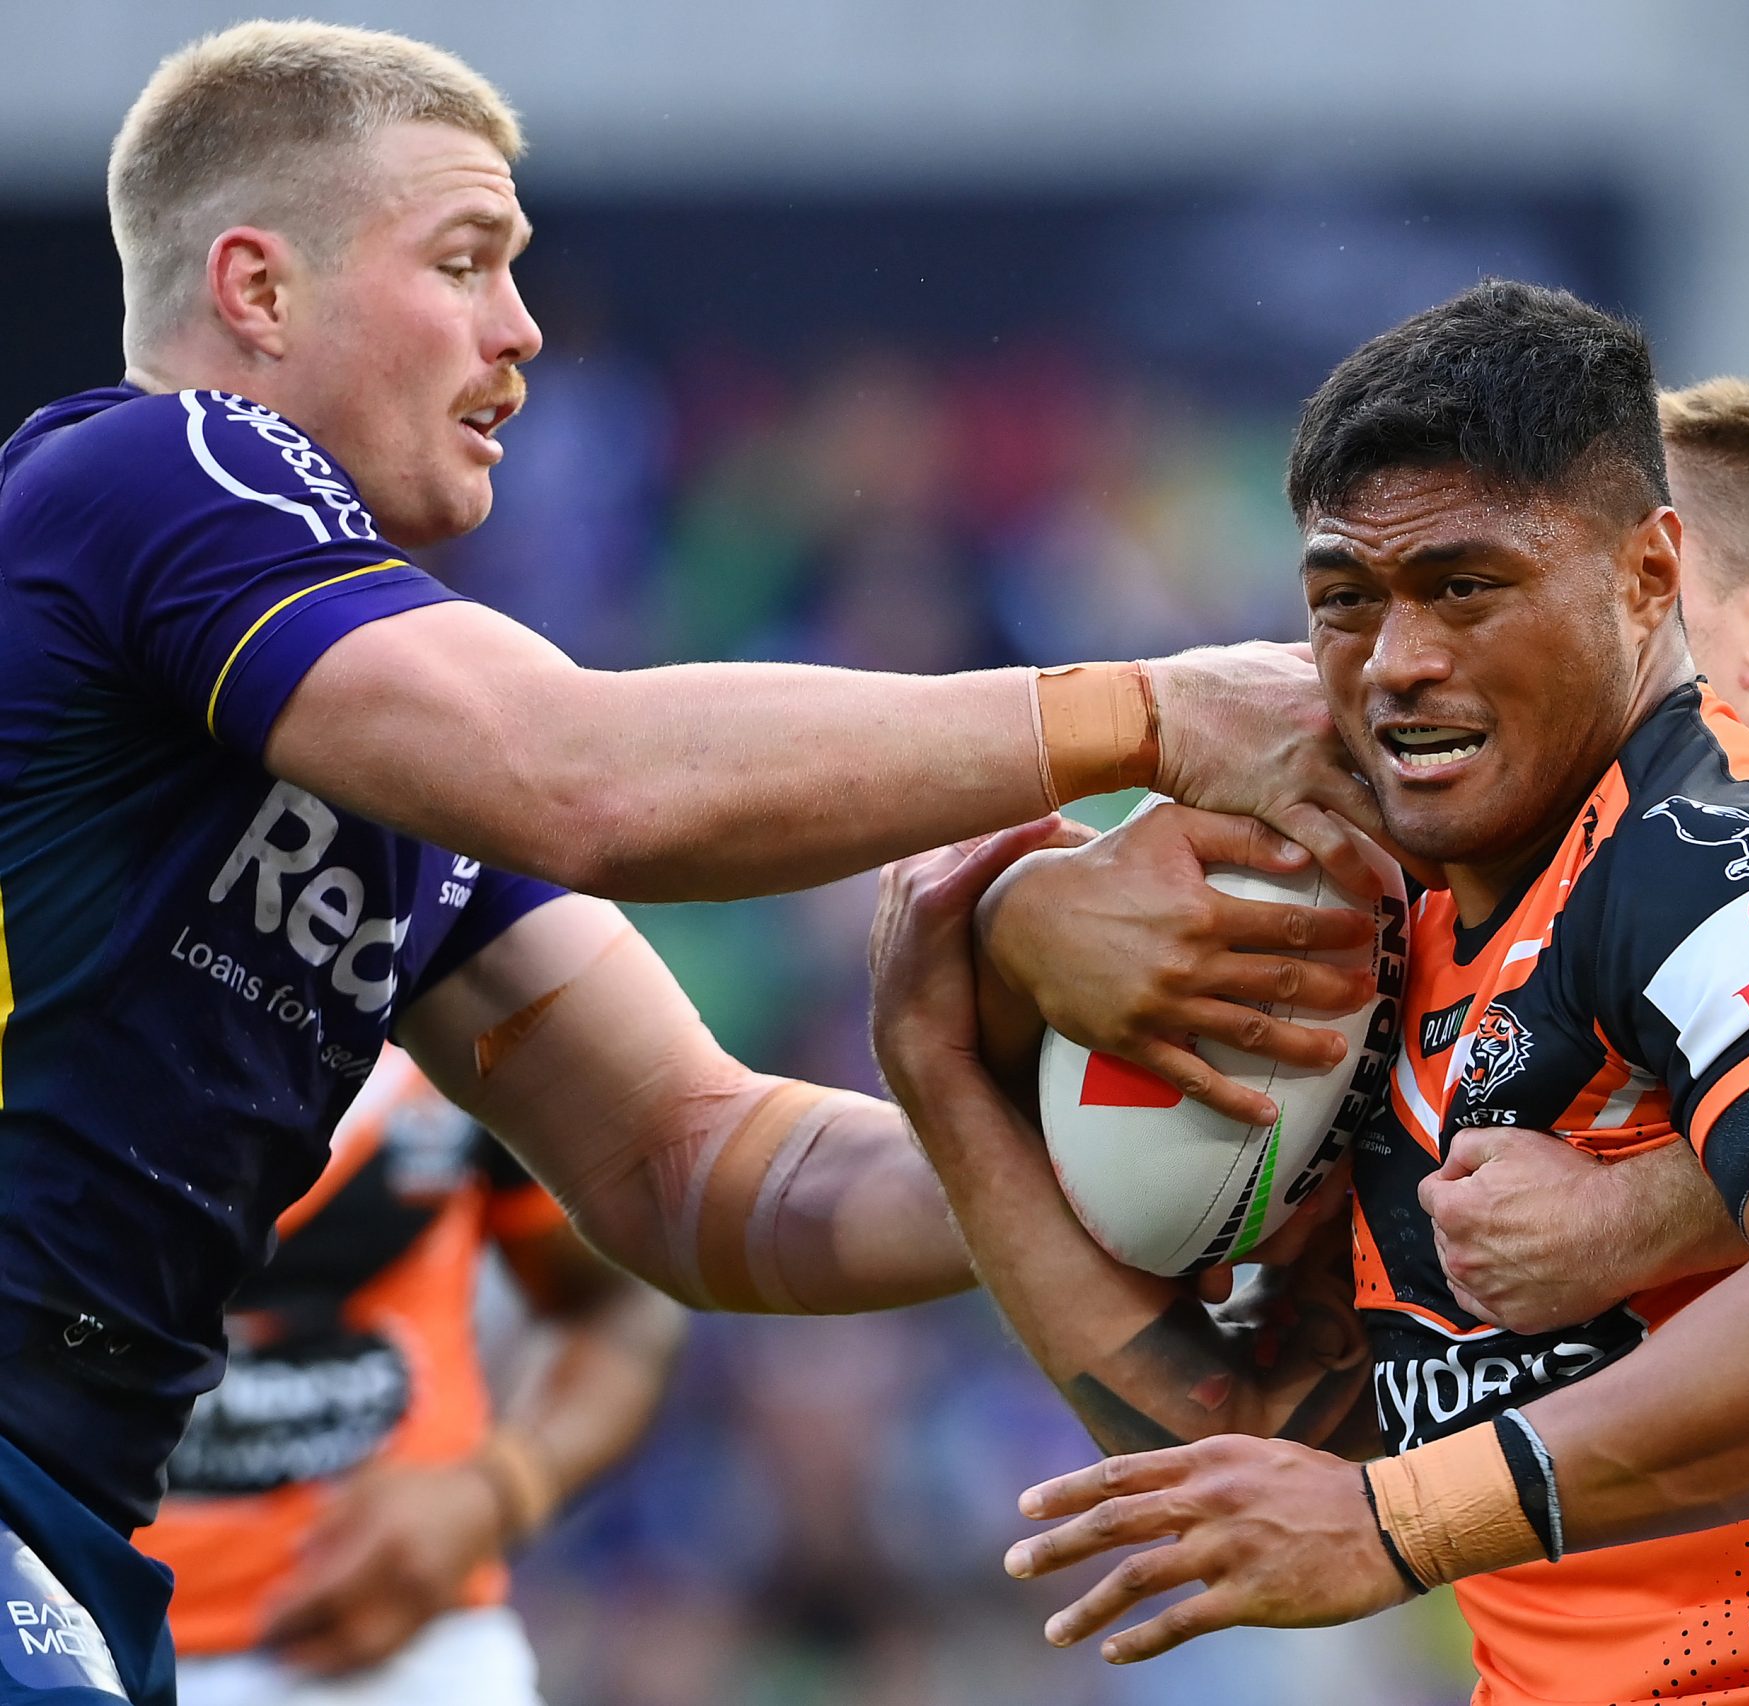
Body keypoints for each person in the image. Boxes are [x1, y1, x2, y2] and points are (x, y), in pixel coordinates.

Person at [0, 22, 1377, 1704]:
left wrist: (1145, 1177)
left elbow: (706, 1173)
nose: (524, 333)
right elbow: (585, 779)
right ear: (257, 292)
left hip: (72, 1504)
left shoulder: (377, 740)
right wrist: (1142, 710)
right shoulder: (164, 468)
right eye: (464, 263)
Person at [878, 281, 1749, 1706]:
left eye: (1465, 587)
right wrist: (937, 1061)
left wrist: (1396, 1523)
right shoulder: (1395, 923)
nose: (1399, 661)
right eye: (1346, 599)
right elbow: (1269, 1429)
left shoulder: (1710, 851)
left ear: (1652, 577)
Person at [130, 1050, 682, 1705]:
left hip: (395, 1650)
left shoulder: (471, 987)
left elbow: (622, 1304)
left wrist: (497, 1490)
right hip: (51, 1635)